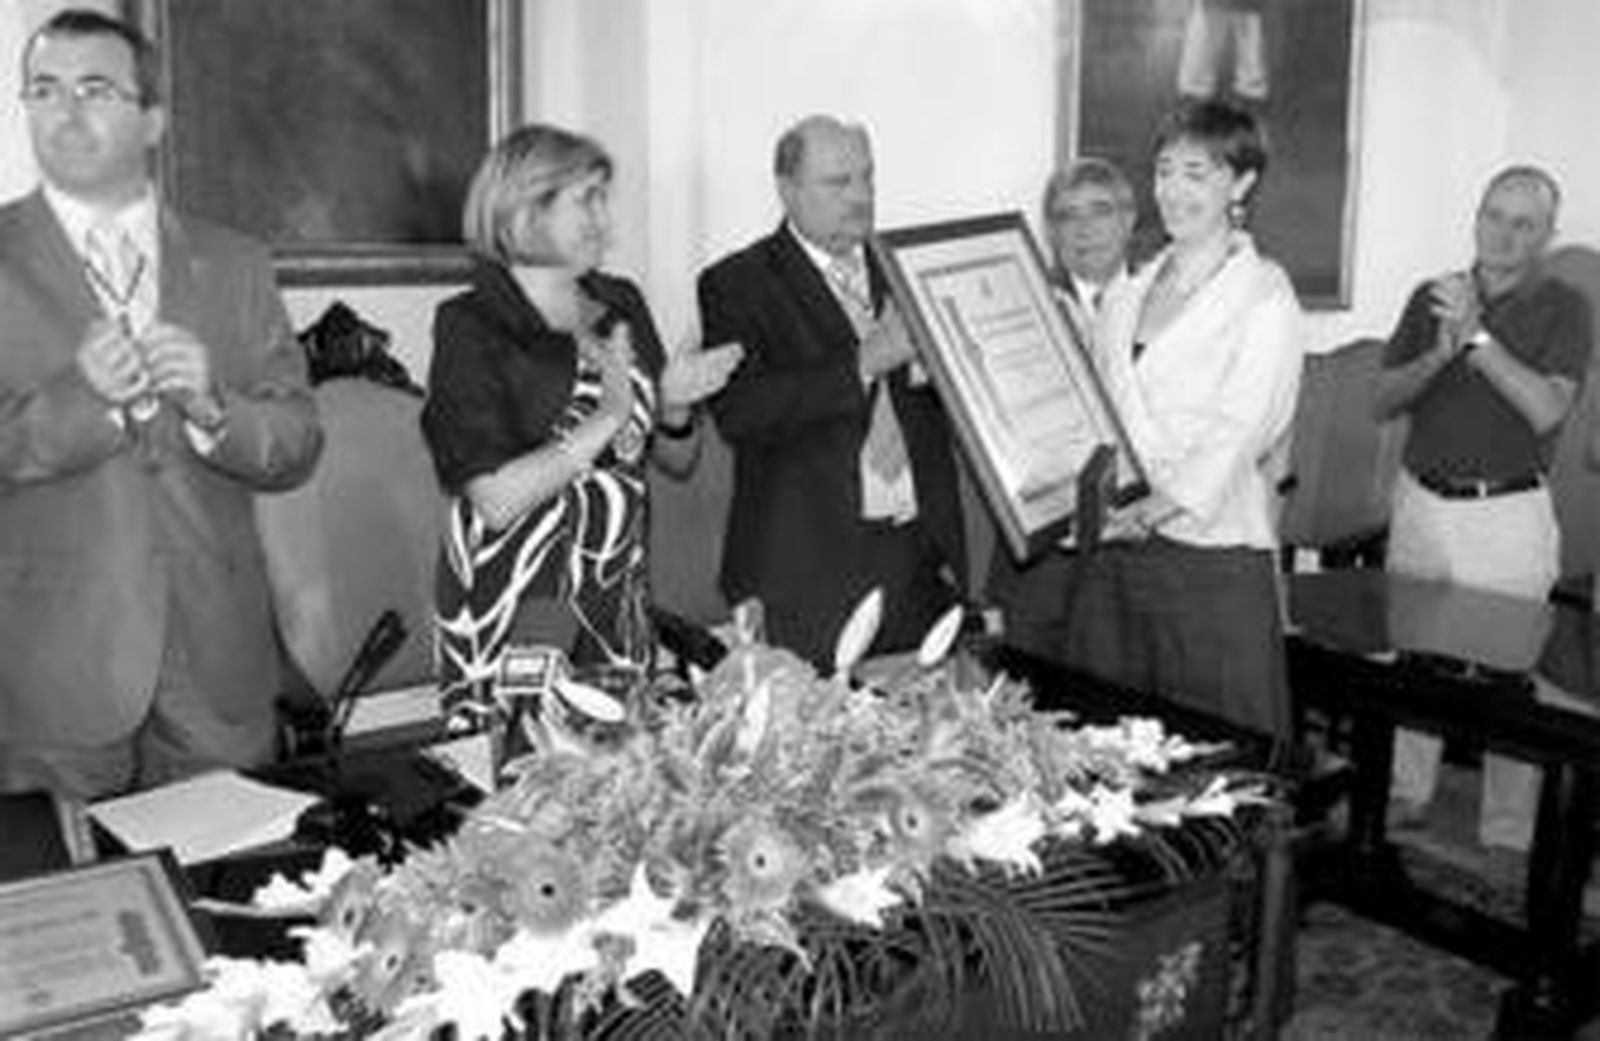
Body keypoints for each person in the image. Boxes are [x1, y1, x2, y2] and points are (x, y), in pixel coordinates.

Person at [0, 10, 324, 799]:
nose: (65, 111)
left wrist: (218, 409)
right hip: (54, 670)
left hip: (217, 662)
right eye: (44, 90)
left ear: (151, 119)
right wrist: (84, 403)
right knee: (69, 909)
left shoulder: (237, 261)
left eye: (95, 89)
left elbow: (298, 441)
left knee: (223, 900)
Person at [421, 123, 741, 720]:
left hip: (616, 597)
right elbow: (494, 498)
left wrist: (674, 407)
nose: (604, 218)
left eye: (603, 197)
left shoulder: (620, 303)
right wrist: (608, 416)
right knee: (527, 792)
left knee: (623, 792)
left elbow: (673, 460)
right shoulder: (470, 325)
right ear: (524, 211)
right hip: (514, 606)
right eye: (585, 199)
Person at [697, 115, 967, 666]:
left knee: (926, 744)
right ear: (787, 188)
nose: (861, 196)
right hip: (804, 571)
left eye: (868, 178)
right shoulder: (737, 283)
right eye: (838, 183)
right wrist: (864, 363)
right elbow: (742, 412)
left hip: (915, 560)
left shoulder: (910, 270)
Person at [1376, 165, 1592, 856]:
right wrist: (1438, 352)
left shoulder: (1565, 305)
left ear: (1547, 235)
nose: (1503, 232)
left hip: (1506, 514)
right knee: (1414, 662)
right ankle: (1406, 796)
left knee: (1510, 676)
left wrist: (1477, 339)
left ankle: (1508, 829)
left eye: (1523, 222)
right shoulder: (1433, 295)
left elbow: (1546, 406)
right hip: (1420, 503)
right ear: (1476, 215)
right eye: (1493, 214)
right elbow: (1382, 399)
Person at [1076, 99, 1304, 737]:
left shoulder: (1264, 295)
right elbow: (1101, 419)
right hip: (1120, 555)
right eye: (1165, 170)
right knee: (1115, 757)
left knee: (1212, 769)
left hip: (1209, 559)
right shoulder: (1129, 291)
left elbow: (1240, 430)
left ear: (1242, 183)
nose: (1173, 191)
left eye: (1196, 174)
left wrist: (1154, 508)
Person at [987, 157, 1137, 664]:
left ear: (1130, 218)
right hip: (1043, 554)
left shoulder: (1167, 305)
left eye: (1100, 210)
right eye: (1066, 215)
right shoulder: (1017, 308)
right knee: (1036, 698)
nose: (1085, 227)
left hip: (1138, 551)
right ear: (1050, 231)